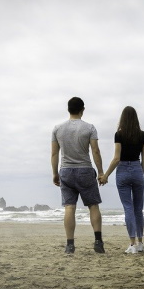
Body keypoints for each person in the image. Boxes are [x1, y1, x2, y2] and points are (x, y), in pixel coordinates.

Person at [51, 97, 105, 254]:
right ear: (83, 109)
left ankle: (70, 244)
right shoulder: (89, 128)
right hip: (85, 170)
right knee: (93, 205)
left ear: (68, 109)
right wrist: (101, 172)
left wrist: (55, 173)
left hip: (66, 170)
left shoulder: (57, 129)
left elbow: (54, 153)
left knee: (69, 207)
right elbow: (95, 151)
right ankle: (98, 241)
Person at [101, 106, 144, 254]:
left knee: (128, 208)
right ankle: (140, 243)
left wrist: (106, 175)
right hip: (137, 169)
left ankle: (132, 244)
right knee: (138, 208)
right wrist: (140, 172)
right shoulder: (142, 135)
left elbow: (116, 158)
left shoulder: (119, 135)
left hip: (122, 171)